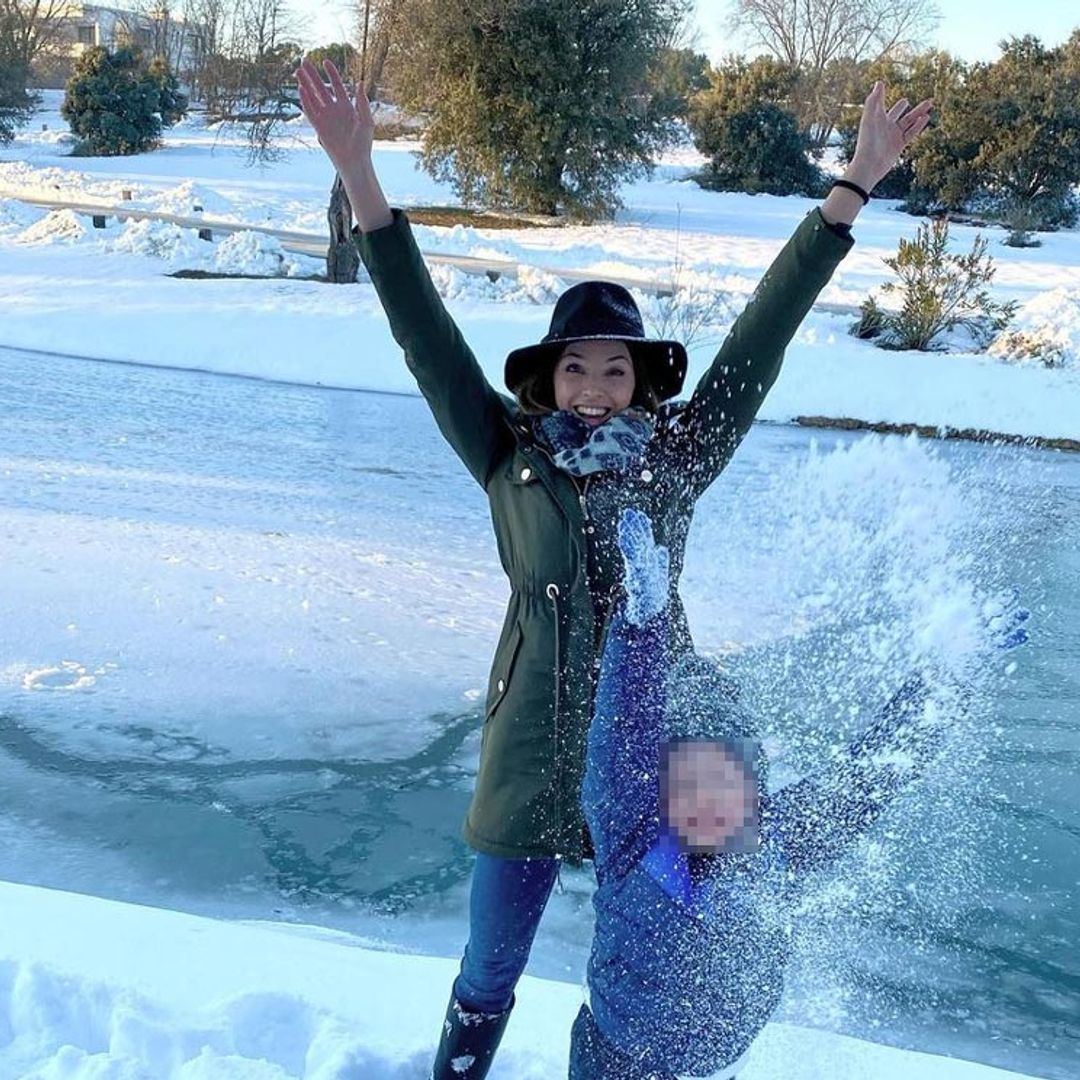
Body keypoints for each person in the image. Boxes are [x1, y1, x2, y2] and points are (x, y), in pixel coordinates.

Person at [295, 57, 933, 1080]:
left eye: (616, 367)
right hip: (535, 744)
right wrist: (360, 177)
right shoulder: (507, 454)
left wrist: (848, 191)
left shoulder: (677, 463)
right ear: (549, 377)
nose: (595, 386)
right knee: (492, 957)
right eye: (576, 366)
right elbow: (426, 337)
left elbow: (756, 346)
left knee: (676, 961)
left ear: (641, 382)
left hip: (654, 757)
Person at [570, 508, 1029, 1080]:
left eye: (726, 777)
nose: (708, 798)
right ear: (658, 789)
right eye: (686, 780)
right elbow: (623, 733)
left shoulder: (781, 841)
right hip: (616, 1062)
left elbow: (873, 771)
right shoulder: (631, 835)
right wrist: (642, 625)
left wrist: (953, 674)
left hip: (718, 1069)